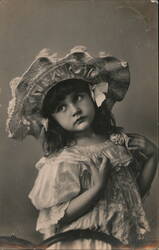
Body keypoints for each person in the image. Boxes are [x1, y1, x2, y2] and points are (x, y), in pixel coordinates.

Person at [6, 46, 158, 249]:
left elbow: (133, 195)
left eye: (78, 97)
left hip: (120, 240)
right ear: (52, 120)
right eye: (62, 108)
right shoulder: (64, 161)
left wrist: (153, 156)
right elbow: (57, 217)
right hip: (83, 243)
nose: (75, 110)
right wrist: (95, 190)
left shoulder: (115, 144)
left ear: (92, 96)